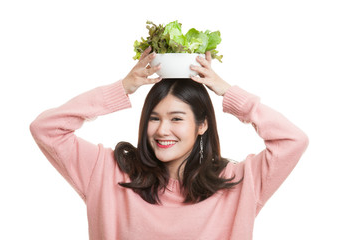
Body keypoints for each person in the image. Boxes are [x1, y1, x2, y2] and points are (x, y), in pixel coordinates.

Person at [30, 47, 308, 240]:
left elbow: (292, 140)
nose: (162, 130)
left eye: (176, 119)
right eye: (154, 118)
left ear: (202, 125)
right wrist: (122, 88)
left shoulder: (238, 182)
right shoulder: (106, 171)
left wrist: (228, 92)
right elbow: (46, 128)